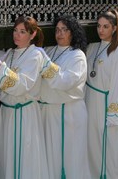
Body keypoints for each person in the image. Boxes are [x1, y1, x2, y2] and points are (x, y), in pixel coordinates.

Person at [0, 16, 48, 178]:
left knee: (25, 156)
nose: (17, 35)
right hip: (7, 113)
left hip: (24, 112)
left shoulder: (35, 54)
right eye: (15, 31)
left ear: (32, 35)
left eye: (22, 32)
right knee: (6, 155)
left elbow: (23, 84)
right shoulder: (11, 53)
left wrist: (0, 70)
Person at [85, 10, 118, 179]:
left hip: (107, 104)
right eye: (99, 26)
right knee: (94, 146)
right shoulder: (93, 47)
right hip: (90, 101)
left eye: (106, 27)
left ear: (115, 28)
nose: (101, 30)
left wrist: (114, 115)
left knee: (114, 148)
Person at [39, 15, 89, 179]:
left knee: (70, 158)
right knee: (50, 158)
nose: (60, 34)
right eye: (57, 30)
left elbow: (64, 82)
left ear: (73, 33)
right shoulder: (50, 51)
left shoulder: (77, 55)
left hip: (69, 114)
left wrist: (44, 62)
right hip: (49, 111)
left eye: (64, 30)